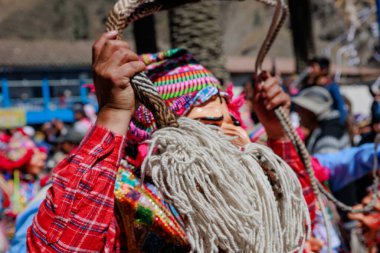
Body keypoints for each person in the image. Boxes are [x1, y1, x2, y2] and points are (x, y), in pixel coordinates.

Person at [27, 32, 315, 252]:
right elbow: (61, 245)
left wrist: (277, 132)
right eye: (211, 124)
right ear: (161, 140)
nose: (236, 135)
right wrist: (113, 115)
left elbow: (298, 228)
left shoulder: (251, 198)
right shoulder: (125, 199)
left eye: (234, 122)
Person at [293, 86, 351, 155]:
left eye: (301, 108)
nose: (297, 112)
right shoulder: (323, 129)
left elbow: (325, 163)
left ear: (310, 111)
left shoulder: (328, 138)